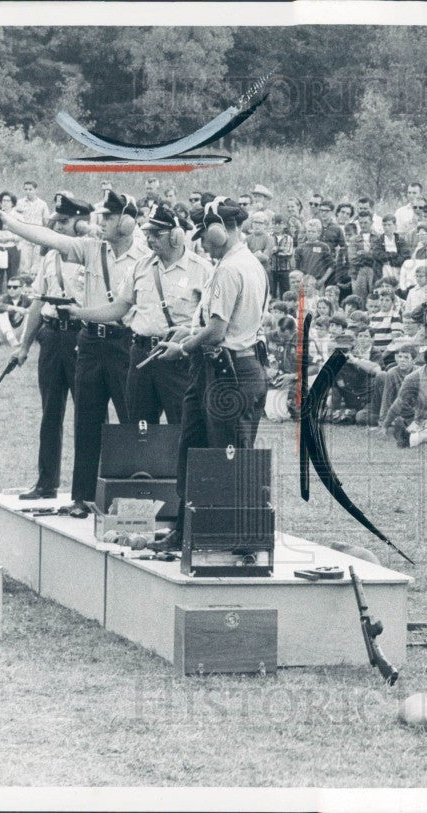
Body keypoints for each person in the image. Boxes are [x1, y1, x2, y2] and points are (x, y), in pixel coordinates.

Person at [1, 188, 145, 517]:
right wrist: (10, 223)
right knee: (87, 421)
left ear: (126, 221)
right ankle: (83, 496)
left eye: (109, 216)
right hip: (91, 341)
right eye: (101, 216)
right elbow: (49, 237)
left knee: (129, 421)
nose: (102, 222)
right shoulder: (91, 249)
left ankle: (128, 493)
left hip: (126, 341)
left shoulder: (144, 255)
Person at [152, 196, 269, 551]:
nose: (201, 241)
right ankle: (191, 530)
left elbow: (219, 331)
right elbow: (213, 325)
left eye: (204, 232)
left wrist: (183, 348)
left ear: (220, 229)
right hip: (221, 368)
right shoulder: (242, 264)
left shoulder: (232, 268)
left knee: (228, 455)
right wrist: (187, 334)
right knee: (195, 449)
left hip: (228, 370)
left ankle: (235, 536)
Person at [68, 203, 210, 425]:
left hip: (177, 358)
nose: (150, 239)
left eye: (156, 233)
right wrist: (80, 313)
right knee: (138, 430)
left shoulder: (202, 270)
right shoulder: (141, 267)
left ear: (176, 236)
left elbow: (210, 321)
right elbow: (119, 307)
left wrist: (191, 341)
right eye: (147, 233)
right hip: (141, 356)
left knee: (183, 426)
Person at [9, 193, 93, 501]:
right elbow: (37, 302)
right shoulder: (49, 258)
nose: (58, 227)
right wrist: (24, 345)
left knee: (86, 415)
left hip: (80, 337)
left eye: (64, 223)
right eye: (56, 222)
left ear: (79, 224)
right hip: (52, 336)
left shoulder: (92, 257)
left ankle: (87, 490)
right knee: (50, 413)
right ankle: (46, 482)